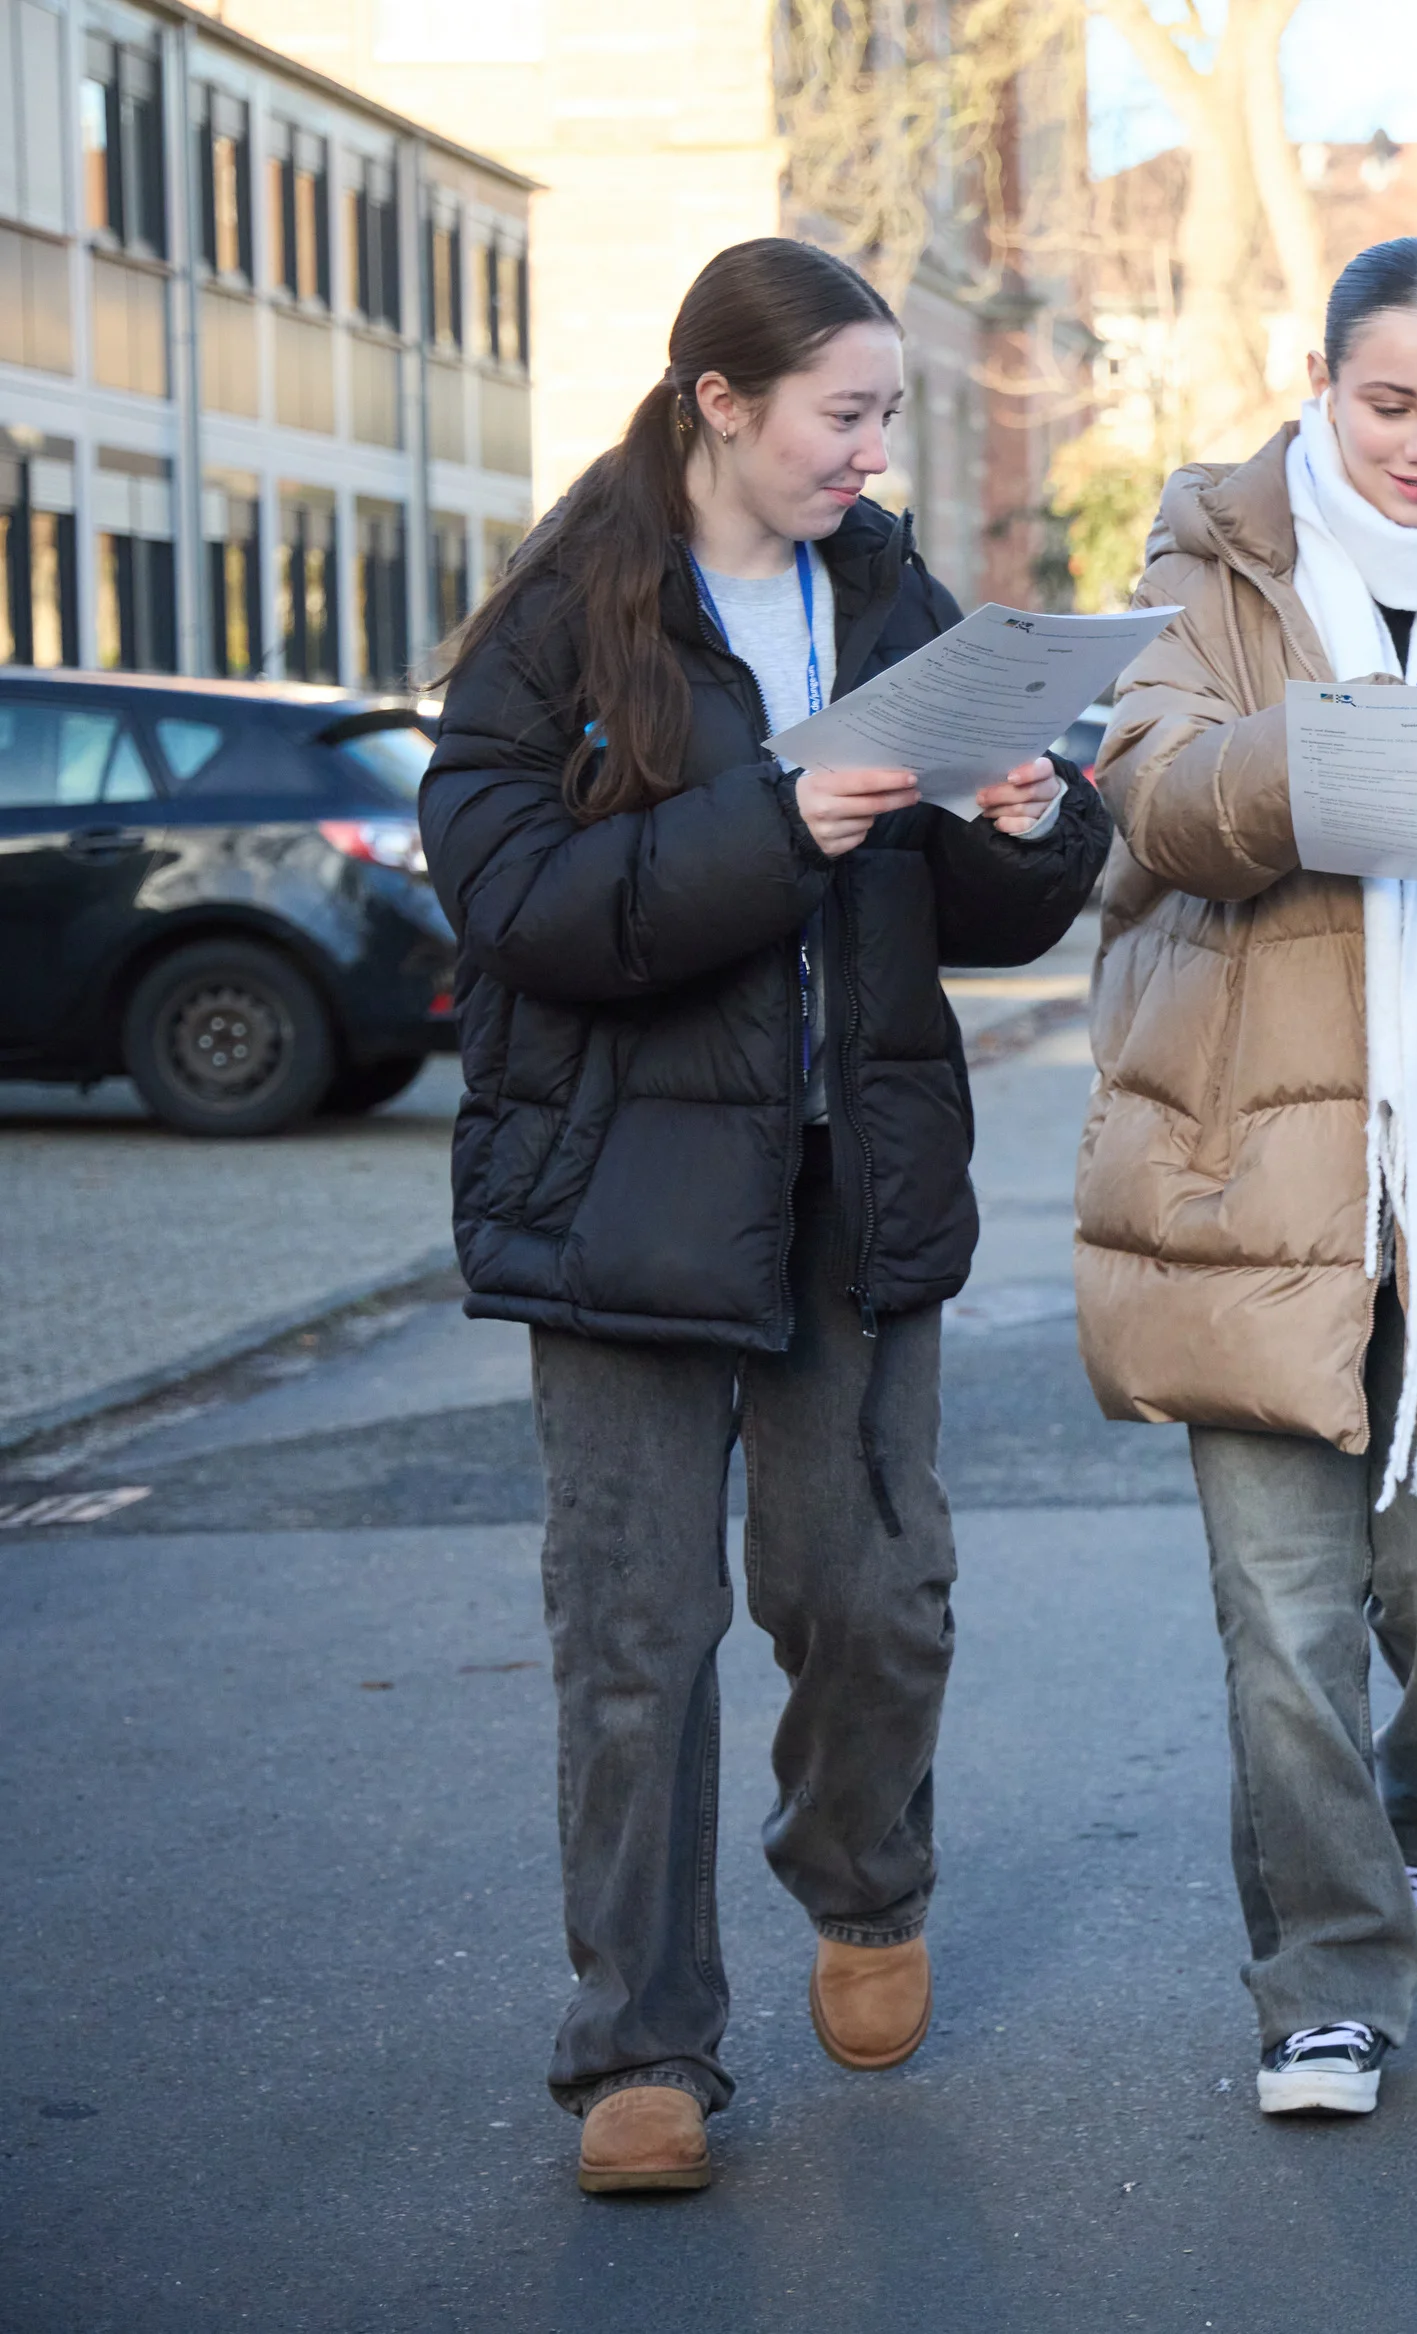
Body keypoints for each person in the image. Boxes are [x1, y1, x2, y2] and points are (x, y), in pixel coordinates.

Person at [421, 237, 1108, 2196]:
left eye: (889, 413)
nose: (874, 455)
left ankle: (861, 1877)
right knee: (635, 1638)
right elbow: (511, 901)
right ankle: (636, 2047)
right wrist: (769, 826)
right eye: (847, 414)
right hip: (621, 1195)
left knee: (873, 1593)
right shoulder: (565, 615)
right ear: (721, 402)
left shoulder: (887, 591)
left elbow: (974, 918)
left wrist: (1031, 824)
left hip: (849, 1182)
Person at [1075, 238, 1417, 2120]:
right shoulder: (1218, 560)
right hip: (1253, 1183)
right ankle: (1326, 1980)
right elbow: (1145, 796)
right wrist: (1323, 763)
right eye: (1389, 402)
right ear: (1320, 383)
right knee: (1286, 1621)